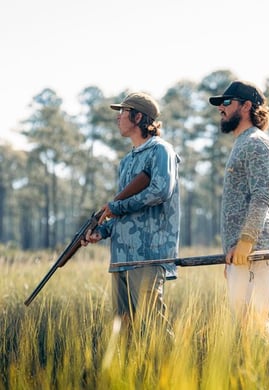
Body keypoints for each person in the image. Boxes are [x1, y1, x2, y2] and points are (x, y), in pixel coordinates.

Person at [81, 91, 180, 335]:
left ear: (138, 117)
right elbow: (121, 210)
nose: (118, 118)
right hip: (121, 257)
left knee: (154, 327)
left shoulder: (161, 151)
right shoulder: (126, 161)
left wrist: (115, 207)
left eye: (123, 112)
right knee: (123, 330)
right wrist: (101, 231)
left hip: (147, 254)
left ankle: (173, 372)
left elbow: (160, 191)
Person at [209, 80, 269, 340]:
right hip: (241, 254)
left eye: (227, 102)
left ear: (247, 105)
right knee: (245, 327)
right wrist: (233, 250)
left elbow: (263, 196)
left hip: (255, 251)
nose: (221, 108)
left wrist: (245, 243)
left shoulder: (256, 143)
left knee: (255, 327)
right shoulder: (242, 143)